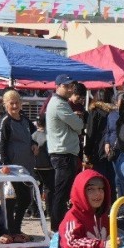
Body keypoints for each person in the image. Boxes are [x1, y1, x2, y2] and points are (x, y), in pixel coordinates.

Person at [46, 74, 84, 231]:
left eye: (71, 87)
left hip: (64, 154)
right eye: (66, 86)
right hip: (63, 155)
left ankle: (58, 226)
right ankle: (57, 228)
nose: (69, 89)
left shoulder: (60, 103)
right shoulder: (60, 104)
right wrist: (76, 121)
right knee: (61, 195)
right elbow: (79, 125)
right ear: (58, 86)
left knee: (62, 193)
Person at [0, 90, 38, 234]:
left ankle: (16, 227)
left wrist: (34, 143)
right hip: (12, 167)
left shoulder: (25, 119)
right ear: (5, 105)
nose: (14, 106)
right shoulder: (5, 121)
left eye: (17, 103)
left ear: (21, 104)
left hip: (26, 166)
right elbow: (0, 144)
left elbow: (32, 135)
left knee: (26, 199)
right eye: (11, 103)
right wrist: (4, 164)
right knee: (11, 199)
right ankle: (10, 229)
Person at [59, 169, 111, 248]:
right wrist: (101, 245)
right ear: (80, 192)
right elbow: (70, 244)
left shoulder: (102, 215)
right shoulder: (73, 216)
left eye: (101, 189)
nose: (98, 193)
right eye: (91, 189)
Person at [83, 88, 116, 195]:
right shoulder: (114, 112)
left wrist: (87, 151)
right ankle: (112, 205)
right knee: (111, 181)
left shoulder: (95, 111)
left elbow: (91, 133)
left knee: (99, 181)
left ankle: (100, 207)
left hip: (98, 151)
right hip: (113, 149)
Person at [31, 118, 54, 218]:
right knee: (48, 189)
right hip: (48, 166)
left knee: (35, 189)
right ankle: (49, 211)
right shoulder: (49, 135)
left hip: (35, 166)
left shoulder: (32, 136)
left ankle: (35, 211)